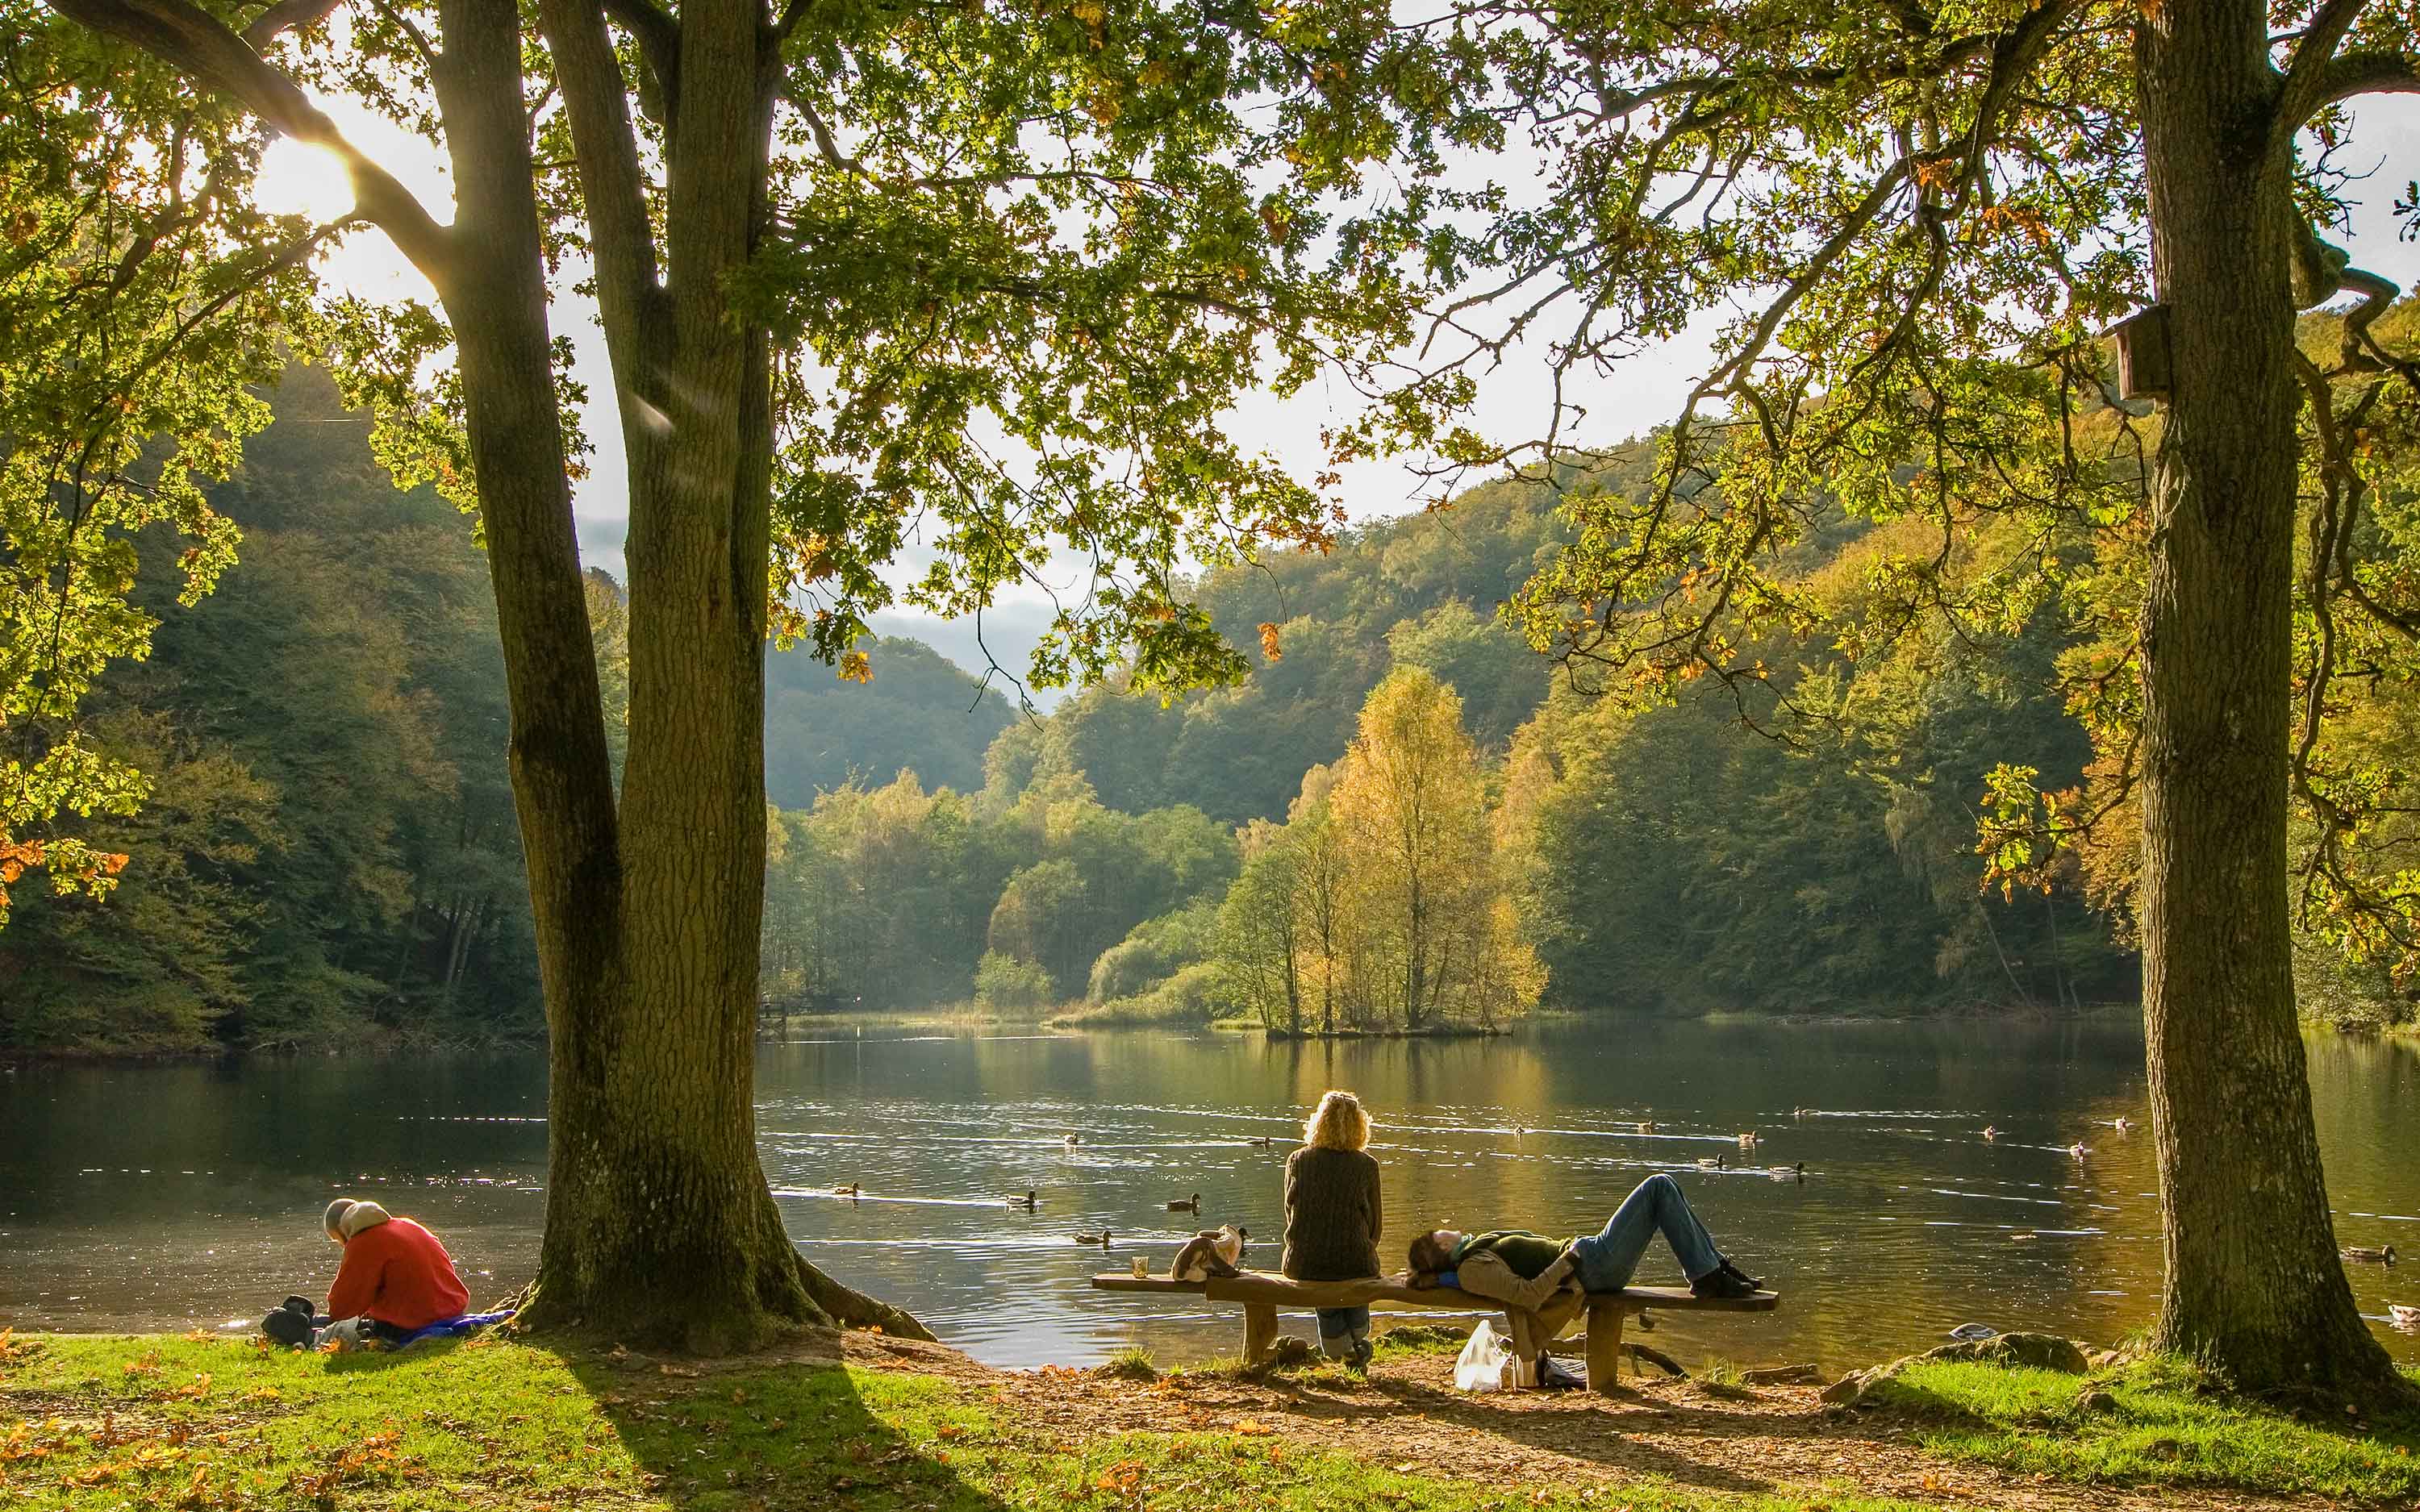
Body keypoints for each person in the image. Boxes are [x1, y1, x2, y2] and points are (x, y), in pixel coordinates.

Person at [1406, 1173, 1761, 1385]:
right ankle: (1706, 1275)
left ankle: (1713, 1268)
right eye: (1444, 1231)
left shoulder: (1474, 1252)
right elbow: (1527, 1295)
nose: (1451, 1228)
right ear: (1441, 1244)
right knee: (1657, 1188)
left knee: (1665, 1186)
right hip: (1590, 1267)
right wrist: (1568, 1260)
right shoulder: (1472, 1268)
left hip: (1589, 1259)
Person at [261, 1198, 471, 1349]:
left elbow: (343, 1308)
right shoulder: (408, 1225)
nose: (343, 1246)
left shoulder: (364, 1242)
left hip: (414, 1323)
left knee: (285, 1323)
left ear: (344, 1230)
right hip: (452, 1311)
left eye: (338, 1240)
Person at [1281, 1089, 1383, 1368]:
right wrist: (1361, 1247)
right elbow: (1375, 1227)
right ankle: (1356, 1343)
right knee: (1357, 1269)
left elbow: (1291, 1214)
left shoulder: (1298, 1161)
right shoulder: (1367, 1166)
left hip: (1305, 1261)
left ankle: (1343, 1349)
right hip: (1356, 1261)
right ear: (1360, 1125)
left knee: (1325, 1277)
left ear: (1318, 1122)